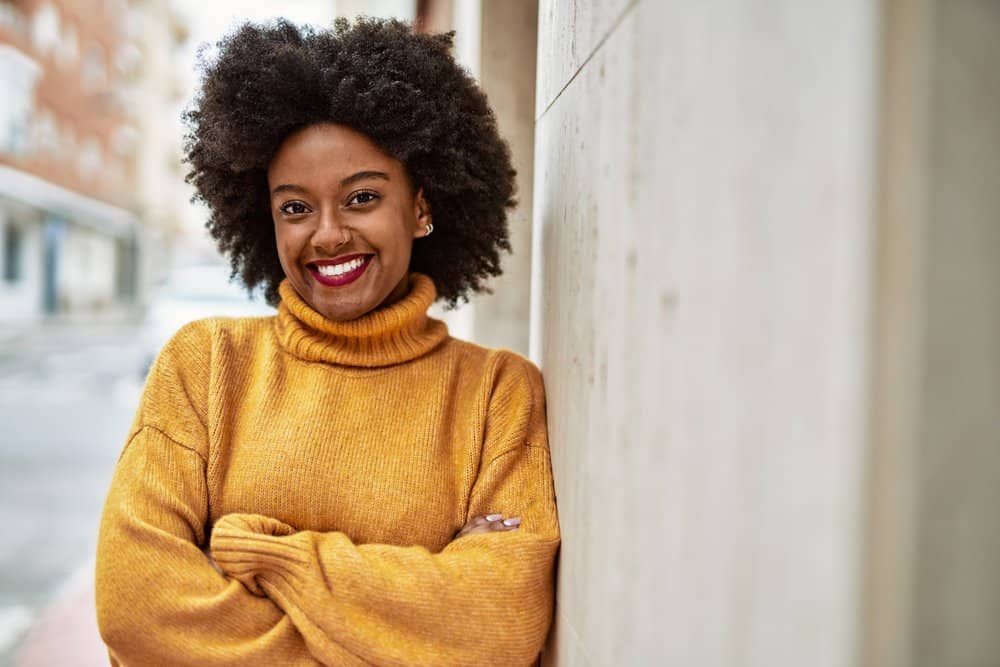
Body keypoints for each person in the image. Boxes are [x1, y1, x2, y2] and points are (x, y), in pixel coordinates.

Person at [94, 17, 560, 667]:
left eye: (361, 196)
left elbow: (500, 620)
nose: (328, 233)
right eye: (295, 207)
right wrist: (404, 622)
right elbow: (136, 605)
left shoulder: (495, 393)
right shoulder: (204, 368)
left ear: (421, 206)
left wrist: (266, 557)